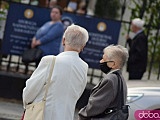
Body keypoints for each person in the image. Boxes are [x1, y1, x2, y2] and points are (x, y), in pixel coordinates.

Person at [23, 24, 89, 120]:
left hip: (43, 114)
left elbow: (31, 89)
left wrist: (27, 105)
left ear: (63, 41)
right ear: (83, 46)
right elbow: (79, 92)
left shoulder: (49, 61)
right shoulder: (84, 67)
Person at [78, 45, 129, 119]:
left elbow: (95, 105)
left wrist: (82, 114)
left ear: (113, 64)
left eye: (104, 59)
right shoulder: (120, 78)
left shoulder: (110, 80)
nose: (101, 61)